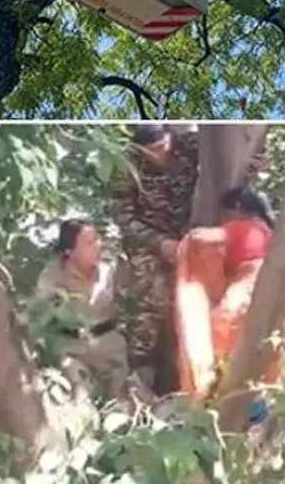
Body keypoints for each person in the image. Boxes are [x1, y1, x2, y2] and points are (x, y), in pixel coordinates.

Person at [110, 124, 267, 396]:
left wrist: (250, 163)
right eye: (152, 152)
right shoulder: (124, 167)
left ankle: (205, 370)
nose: (160, 155)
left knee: (203, 299)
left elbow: (225, 167)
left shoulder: (190, 146)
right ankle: (143, 370)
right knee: (151, 298)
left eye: (163, 147)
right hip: (152, 240)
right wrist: (159, 243)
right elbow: (123, 216)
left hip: (192, 232)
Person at [173, 186, 285, 401]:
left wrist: (185, 244)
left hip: (244, 297)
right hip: (279, 302)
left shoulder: (238, 230)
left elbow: (205, 244)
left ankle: (211, 396)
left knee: (221, 345)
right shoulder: (273, 235)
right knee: (270, 356)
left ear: (235, 210)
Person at [33, 219, 128, 400]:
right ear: (70, 251)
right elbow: (42, 315)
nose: (98, 245)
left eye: (97, 238)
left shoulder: (111, 270)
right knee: (80, 401)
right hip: (72, 350)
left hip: (110, 348)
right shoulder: (53, 276)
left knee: (120, 405)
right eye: (89, 243)